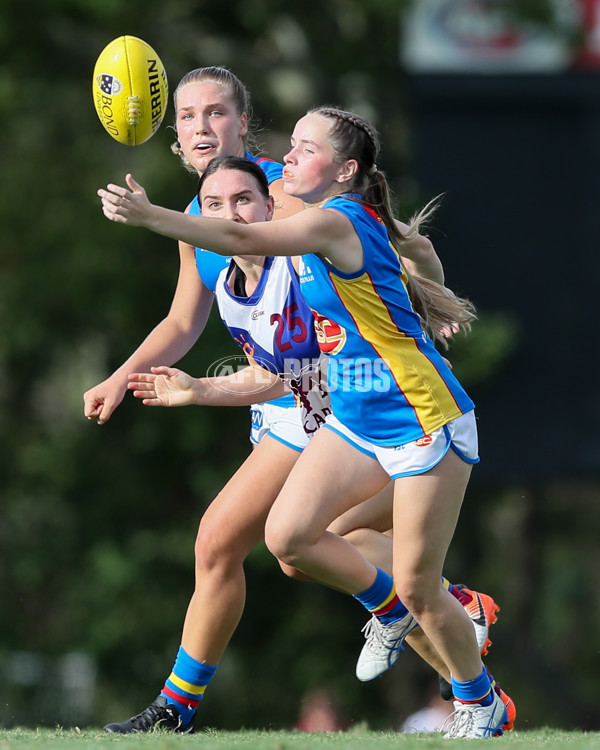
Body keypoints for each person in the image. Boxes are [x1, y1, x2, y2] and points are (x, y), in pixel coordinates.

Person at [97, 105, 515, 739]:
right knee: (289, 539)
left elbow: (243, 240)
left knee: (415, 586)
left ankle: (476, 699)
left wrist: (151, 216)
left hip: (420, 412)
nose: (289, 156)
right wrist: (198, 388)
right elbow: (295, 367)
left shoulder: (329, 222)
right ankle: (413, 615)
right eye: (289, 146)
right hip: (350, 410)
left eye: (305, 148)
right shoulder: (296, 227)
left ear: (344, 170)